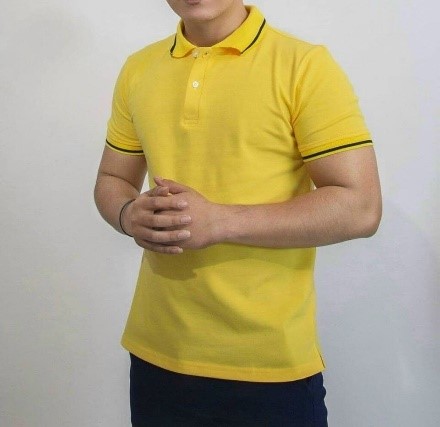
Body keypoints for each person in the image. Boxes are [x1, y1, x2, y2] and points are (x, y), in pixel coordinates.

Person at [94, 1, 382, 425]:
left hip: (270, 368)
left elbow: (361, 207)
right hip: (157, 357)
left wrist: (220, 221)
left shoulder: (304, 65)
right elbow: (112, 178)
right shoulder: (139, 68)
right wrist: (126, 214)